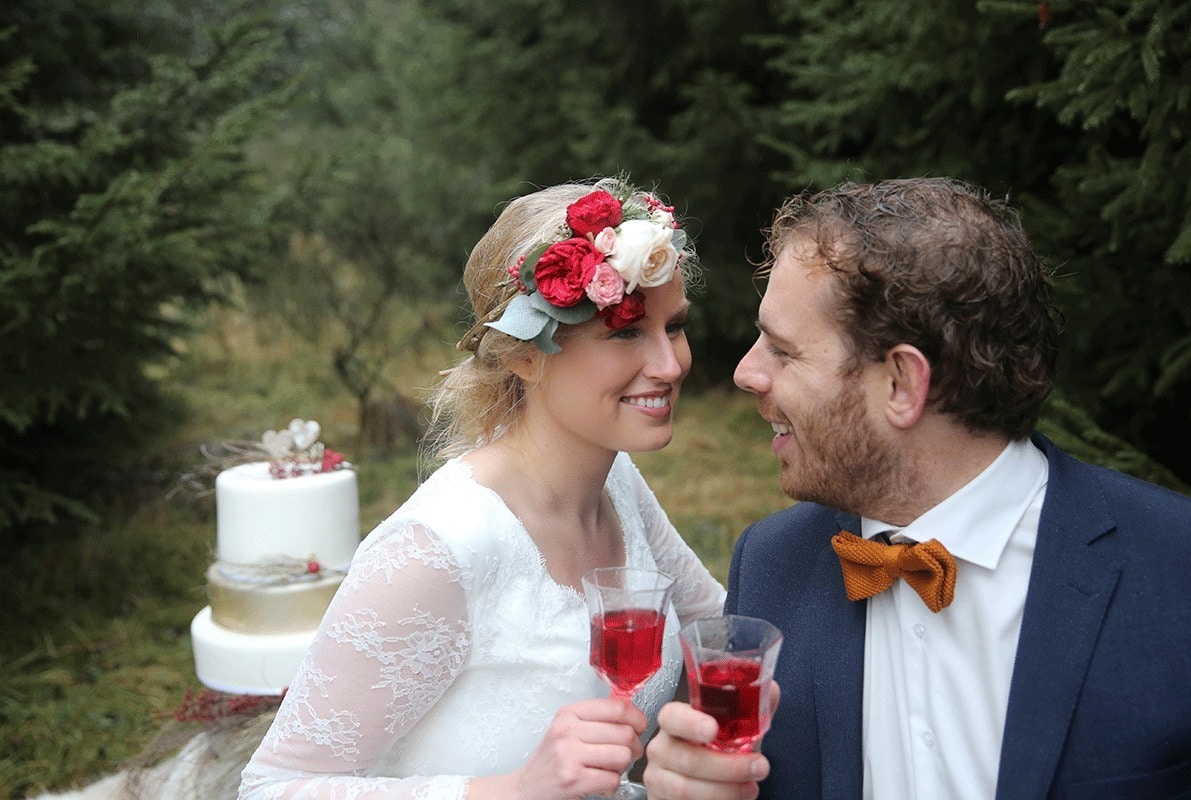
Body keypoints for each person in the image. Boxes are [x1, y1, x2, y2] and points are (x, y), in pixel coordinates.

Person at [30, 177, 726, 800]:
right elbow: (271, 787)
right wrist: (511, 790)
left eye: (675, 327)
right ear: (523, 355)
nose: (669, 363)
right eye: (626, 333)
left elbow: (725, 631)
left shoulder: (619, 486)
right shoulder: (438, 549)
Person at [643, 177, 1191, 800]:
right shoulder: (773, 566)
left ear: (902, 384)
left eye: (782, 350)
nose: (747, 372)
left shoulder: (1180, 569)